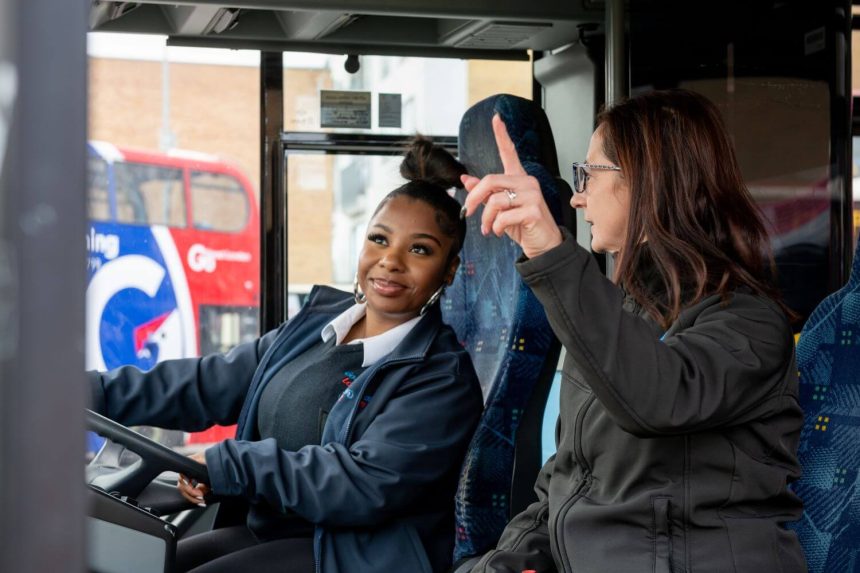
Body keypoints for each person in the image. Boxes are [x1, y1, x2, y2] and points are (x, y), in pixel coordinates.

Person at [89, 137, 484, 573]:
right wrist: (93, 393)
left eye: (420, 249)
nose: (390, 260)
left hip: (351, 555)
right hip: (271, 532)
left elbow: (363, 483)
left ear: (449, 270)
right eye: (379, 239)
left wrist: (233, 465)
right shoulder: (316, 328)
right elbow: (207, 383)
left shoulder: (442, 376)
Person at [460, 89, 806, 572]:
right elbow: (564, 488)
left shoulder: (748, 323)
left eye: (588, 174)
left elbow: (656, 399)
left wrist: (551, 252)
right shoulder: (614, 317)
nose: (577, 196)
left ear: (647, 182)